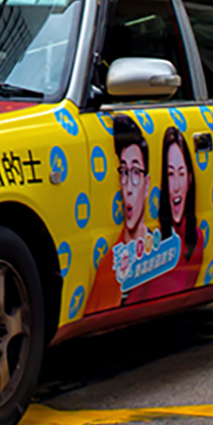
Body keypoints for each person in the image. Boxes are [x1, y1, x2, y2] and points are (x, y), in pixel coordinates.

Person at [84, 114, 153, 314]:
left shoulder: (171, 252)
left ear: (147, 184)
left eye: (135, 173)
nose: (128, 188)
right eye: (123, 172)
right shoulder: (107, 269)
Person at [128, 127, 205, 302]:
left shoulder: (196, 240)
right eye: (170, 174)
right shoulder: (150, 243)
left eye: (181, 174)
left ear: (190, 179)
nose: (176, 186)